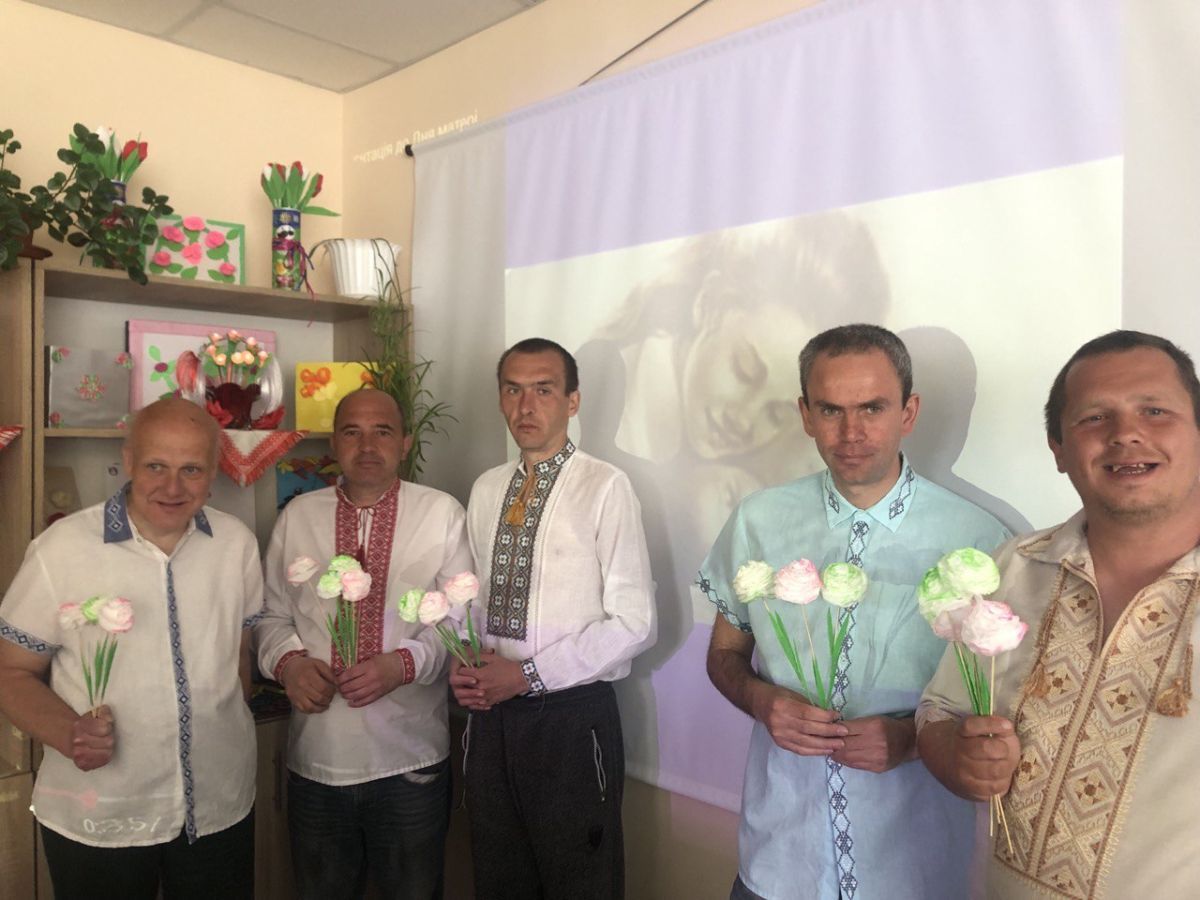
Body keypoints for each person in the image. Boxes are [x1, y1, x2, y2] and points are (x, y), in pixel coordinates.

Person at [700, 324, 1011, 900]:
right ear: (805, 414)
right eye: (831, 410)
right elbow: (724, 654)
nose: (851, 433)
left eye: (872, 407)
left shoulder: (979, 540)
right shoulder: (757, 520)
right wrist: (762, 700)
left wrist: (912, 740)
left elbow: (1002, 702)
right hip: (778, 855)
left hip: (912, 865)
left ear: (908, 412)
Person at [917, 330, 1200, 899]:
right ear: (1059, 449)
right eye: (1094, 417)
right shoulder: (1013, 566)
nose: (1126, 433)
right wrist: (957, 757)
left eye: (1155, 410)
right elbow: (939, 710)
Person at [0, 398, 261, 900]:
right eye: (156, 466)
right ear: (129, 460)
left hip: (219, 807)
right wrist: (68, 731)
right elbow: (11, 671)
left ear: (214, 471)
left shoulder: (237, 544)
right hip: (102, 814)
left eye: (191, 469)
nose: (172, 487)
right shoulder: (62, 548)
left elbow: (239, 655)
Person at [451, 337, 656, 900]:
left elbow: (635, 622)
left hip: (570, 718)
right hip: (492, 718)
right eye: (513, 390)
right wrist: (464, 662)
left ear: (573, 401)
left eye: (543, 390)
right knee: (500, 876)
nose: (526, 406)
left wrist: (527, 675)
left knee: (578, 881)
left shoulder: (605, 485)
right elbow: (472, 597)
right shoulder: (487, 487)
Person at [255, 388, 472, 899]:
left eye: (383, 432)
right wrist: (289, 665)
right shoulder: (298, 516)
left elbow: (461, 621)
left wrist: (403, 664)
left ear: (405, 442)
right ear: (334, 443)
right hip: (317, 763)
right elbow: (269, 615)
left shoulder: (441, 513)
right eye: (352, 432)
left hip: (411, 762)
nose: (368, 445)